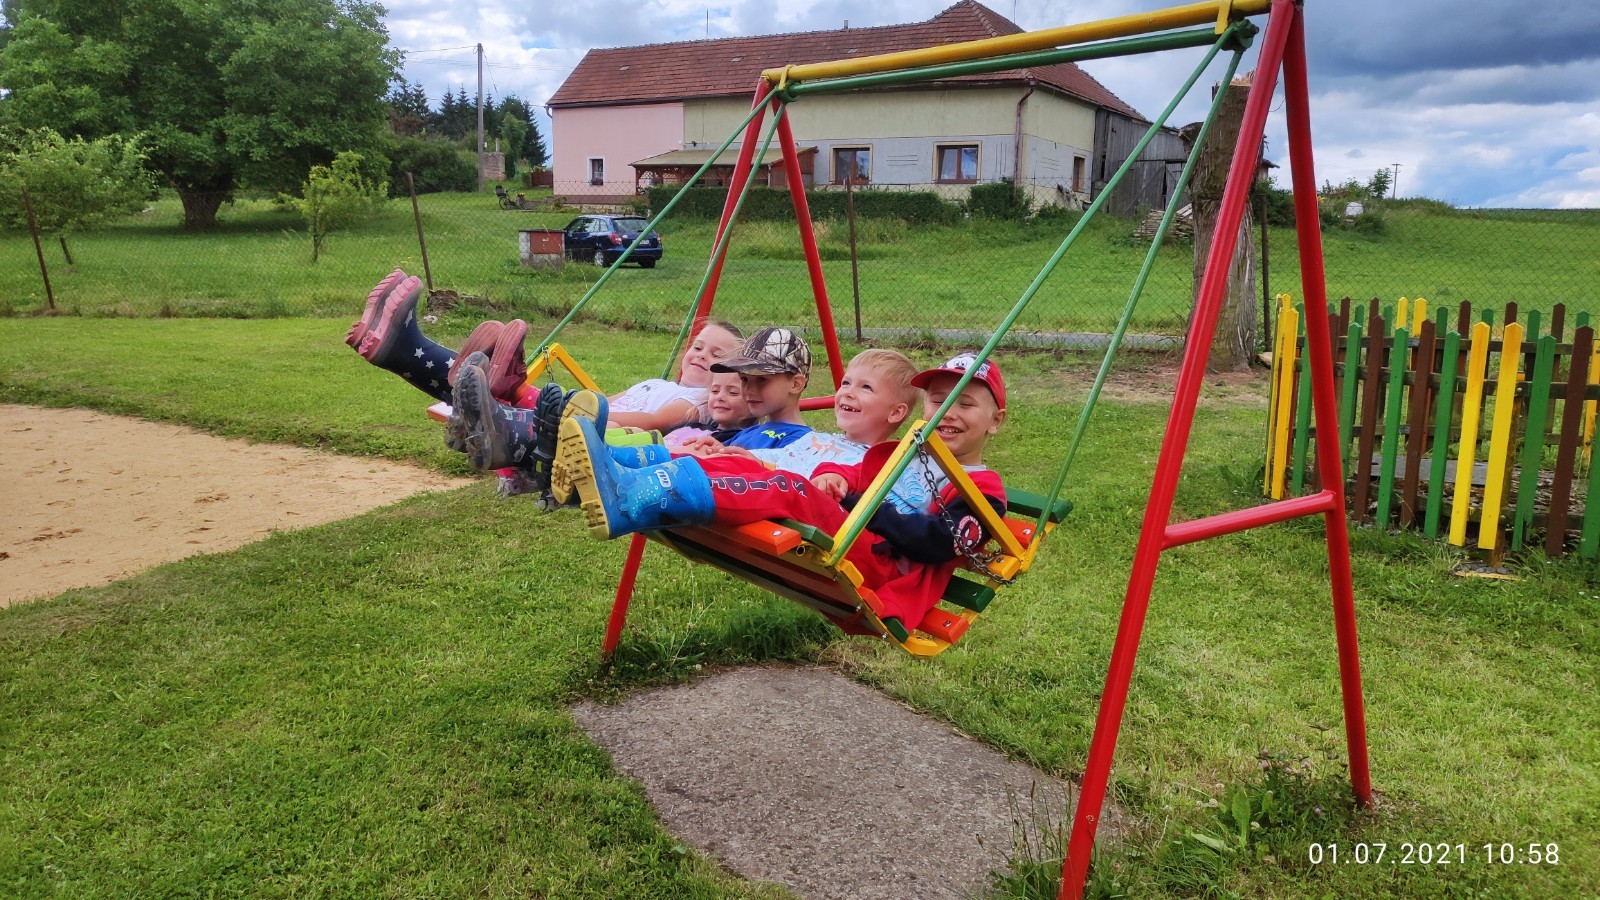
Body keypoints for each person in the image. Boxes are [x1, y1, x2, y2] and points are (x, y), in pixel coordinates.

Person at [555, 351, 1009, 634]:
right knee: (742, 463)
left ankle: (632, 494)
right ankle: (614, 466)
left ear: (995, 421)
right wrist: (835, 478)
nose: (948, 412)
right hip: (858, 536)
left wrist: (853, 501)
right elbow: (851, 472)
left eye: (965, 403)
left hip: (881, 566)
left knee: (792, 489)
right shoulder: (905, 454)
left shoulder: (984, 489)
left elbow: (937, 542)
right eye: (938, 401)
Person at [664, 371, 756, 448]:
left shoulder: (740, 441)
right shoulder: (691, 426)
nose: (719, 397)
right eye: (715, 391)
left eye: (733, 392)